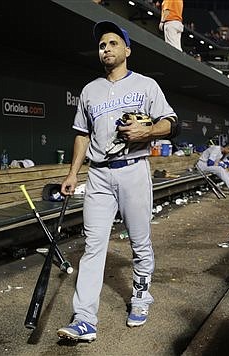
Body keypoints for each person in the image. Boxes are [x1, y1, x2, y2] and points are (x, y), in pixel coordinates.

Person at [57, 21, 179, 342]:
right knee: (93, 246)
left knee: (139, 242)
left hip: (133, 170)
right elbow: (82, 135)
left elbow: (172, 124)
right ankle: (84, 318)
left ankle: (140, 296)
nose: (106, 49)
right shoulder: (90, 91)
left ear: (126, 50)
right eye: (101, 45)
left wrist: (148, 131)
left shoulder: (146, 85)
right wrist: (72, 173)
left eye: (112, 43)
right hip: (98, 174)